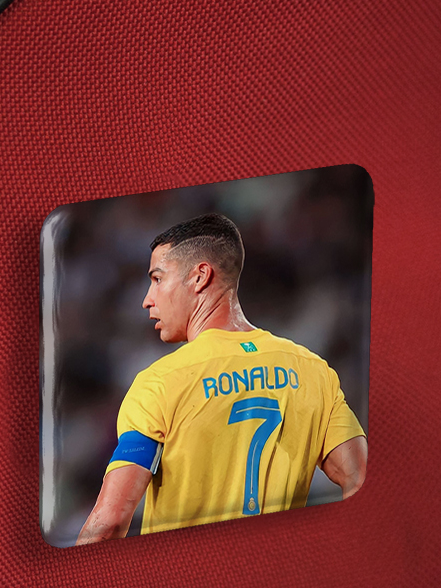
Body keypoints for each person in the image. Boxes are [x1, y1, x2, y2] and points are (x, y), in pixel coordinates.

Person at [76, 213, 367, 544]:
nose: (147, 299)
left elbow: (109, 523)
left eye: (157, 279)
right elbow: (361, 481)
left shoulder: (160, 382)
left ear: (200, 277)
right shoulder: (312, 370)